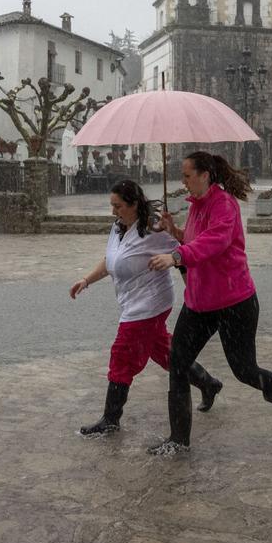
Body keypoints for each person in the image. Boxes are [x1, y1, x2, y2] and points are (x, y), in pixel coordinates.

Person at [146, 151, 272, 455]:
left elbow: (215, 242)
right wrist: (176, 233)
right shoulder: (196, 206)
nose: (182, 181)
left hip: (234, 302)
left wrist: (176, 256)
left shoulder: (224, 204)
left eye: (186, 175)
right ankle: (178, 439)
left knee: (246, 371)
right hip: (199, 303)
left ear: (205, 174)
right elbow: (196, 240)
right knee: (178, 366)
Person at [71, 179, 223, 436]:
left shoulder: (154, 228)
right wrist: (86, 280)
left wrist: (194, 288)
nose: (113, 211)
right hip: (132, 301)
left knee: (122, 355)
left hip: (149, 304)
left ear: (133, 204)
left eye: (118, 206)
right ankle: (208, 383)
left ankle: (111, 418)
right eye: (112, 205)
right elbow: (111, 261)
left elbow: (186, 251)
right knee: (165, 351)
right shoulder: (119, 227)